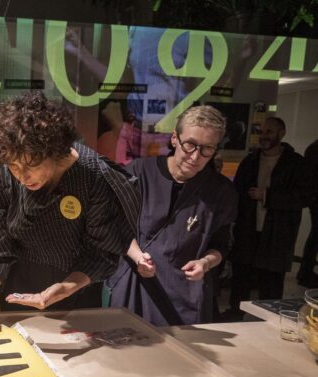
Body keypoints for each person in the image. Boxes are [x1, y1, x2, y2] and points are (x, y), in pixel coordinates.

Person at [0, 91, 140, 322]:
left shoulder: (92, 176)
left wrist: (65, 287)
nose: (22, 176)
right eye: (13, 166)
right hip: (18, 293)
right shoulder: (7, 173)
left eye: (31, 165)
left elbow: (100, 253)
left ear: (54, 150)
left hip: (77, 294)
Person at [108, 106, 237, 326]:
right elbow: (116, 226)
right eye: (190, 144)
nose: (195, 156)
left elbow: (221, 245)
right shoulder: (138, 173)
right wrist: (138, 256)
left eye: (207, 149)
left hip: (186, 294)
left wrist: (205, 263)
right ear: (175, 138)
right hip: (135, 283)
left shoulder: (220, 191)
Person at [229, 117, 312, 318]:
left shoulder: (296, 163)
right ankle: (234, 315)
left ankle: (268, 319)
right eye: (261, 132)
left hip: (278, 234)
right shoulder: (250, 161)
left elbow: (305, 196)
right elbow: (237, 192)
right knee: (241, 277)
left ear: (281, 134)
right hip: (248, 231)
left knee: (271, 281)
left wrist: (268, 196)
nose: (264, 136)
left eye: (269, 132)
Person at [297, 139, 318, 288]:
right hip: (315, 198)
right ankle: (305, 272)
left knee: (315, 236)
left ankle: (305, 271)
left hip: (314, 198)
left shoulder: (313, 148)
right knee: (315, 236)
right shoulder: (315, 149)